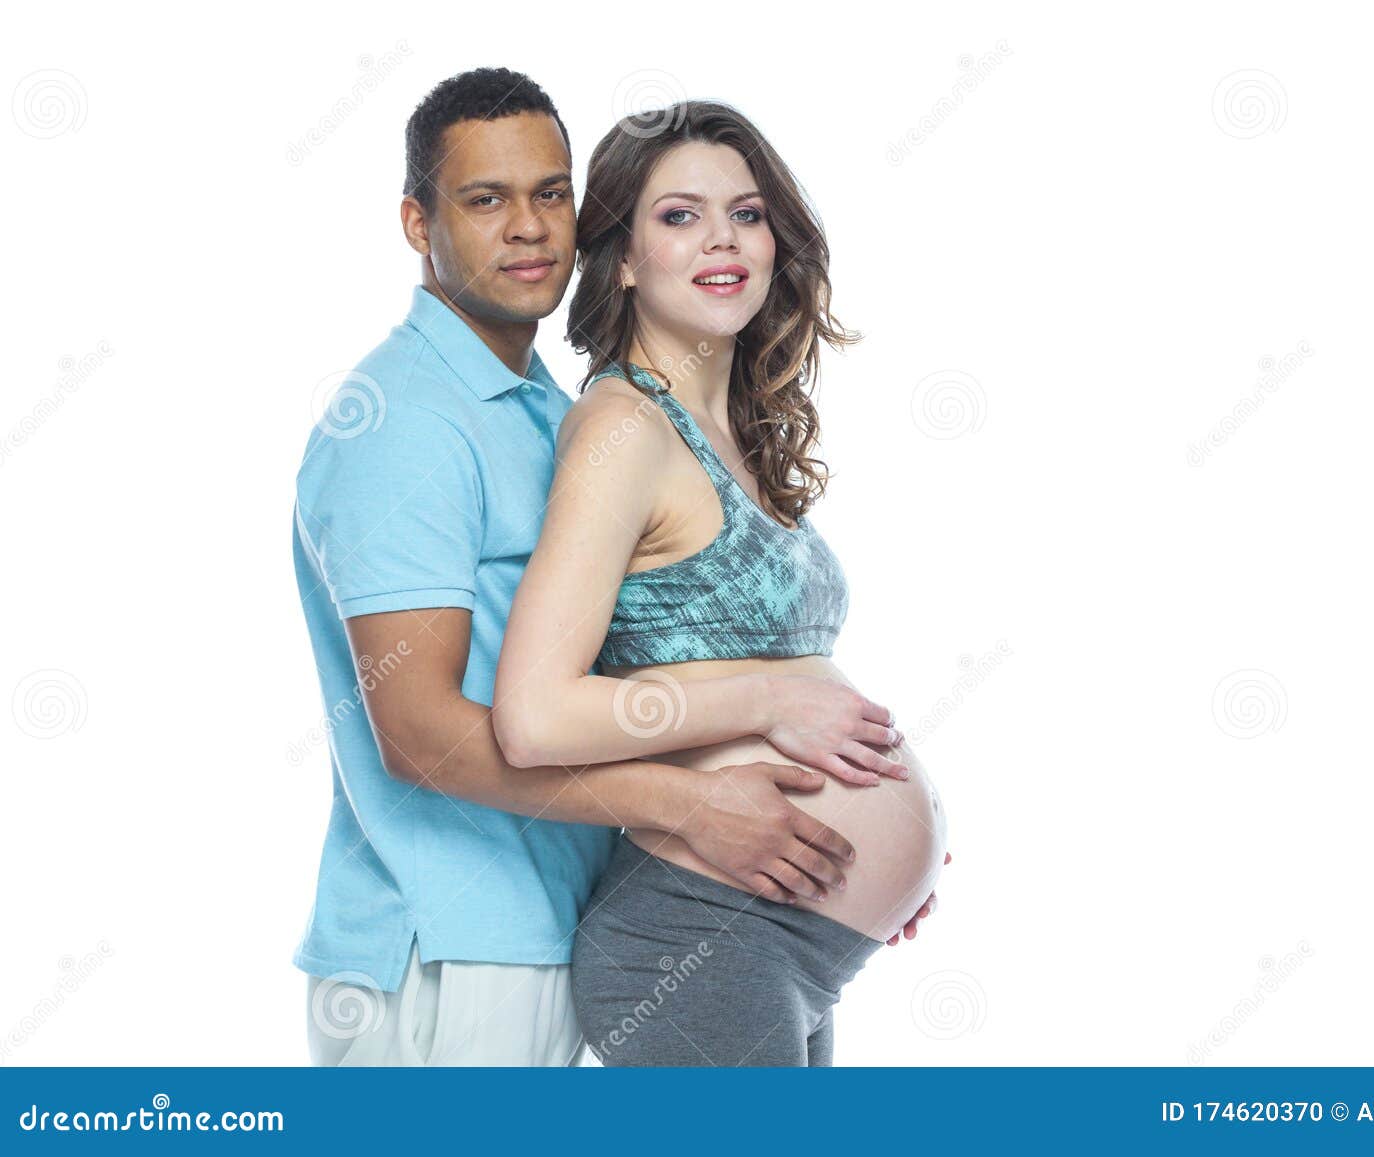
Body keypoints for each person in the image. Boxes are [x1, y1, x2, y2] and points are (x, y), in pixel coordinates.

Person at [291, 69, 877, 1066]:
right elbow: (417, 730)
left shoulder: (546, 412)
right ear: (416, 222)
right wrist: (694, 803)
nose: (526, 227)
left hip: (554, 928)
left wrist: (829, 871)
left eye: (549, 193)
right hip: (452, 957)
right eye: (484, 199)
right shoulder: (402, 424)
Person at [491, 101, 949, 1067]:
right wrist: (775, 699)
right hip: (698, 936)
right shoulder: (623, 428)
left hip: (782, 933)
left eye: (746, 212)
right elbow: (533, 715)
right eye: (679, 216)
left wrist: (879, 869)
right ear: (619, 257)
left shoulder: (734, 433)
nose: (722, 239)